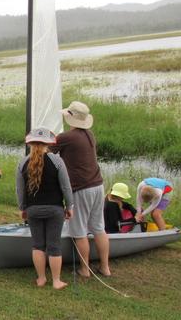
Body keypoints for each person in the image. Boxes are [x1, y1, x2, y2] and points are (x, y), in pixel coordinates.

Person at [49, 101, 110, 277]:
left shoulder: (66, 137)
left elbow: (47, 149)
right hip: (97, 185)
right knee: (99, 227)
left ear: (70, 117)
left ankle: (85, 270)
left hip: (81, 188)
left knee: (79, 230)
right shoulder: (89, 134)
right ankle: (105, 267)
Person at [16, 128, 74, 290]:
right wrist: (69, 206)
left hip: (33, 210)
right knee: (54, 245)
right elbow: (66, 187)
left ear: (31, 143)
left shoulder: (23, 163)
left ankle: (41, 279)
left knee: (38, 245)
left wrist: (22, 208)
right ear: (48, 143)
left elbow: (20, 190)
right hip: (55, 209)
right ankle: (56, 281)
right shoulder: (57, 161)